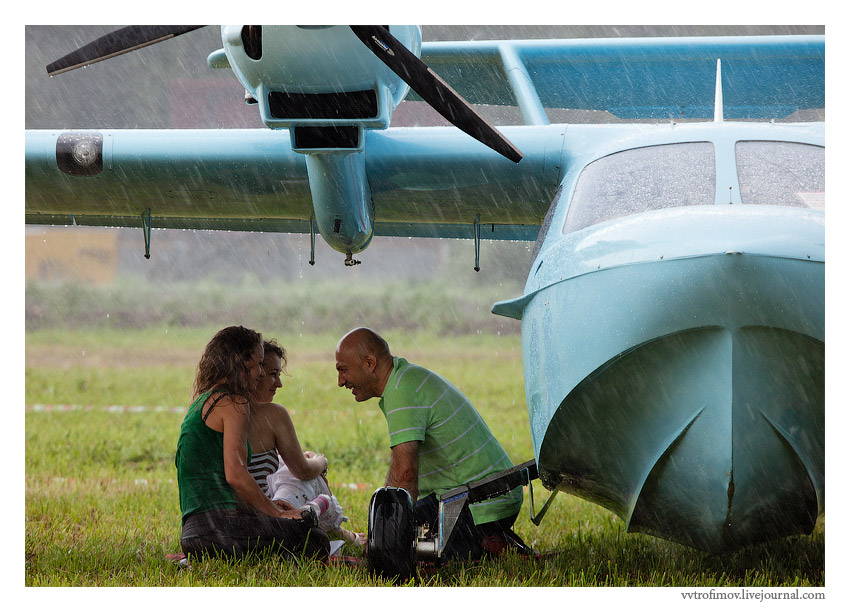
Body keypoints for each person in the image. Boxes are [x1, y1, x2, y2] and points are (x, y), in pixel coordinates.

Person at [334, 327, 527, 560]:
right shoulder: (403, 379)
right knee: (408, 531)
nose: (340, 381)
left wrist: (382, 539)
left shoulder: (401, 391)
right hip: (489, 494)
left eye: (343, 370)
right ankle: (488, 539)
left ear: (369, 362)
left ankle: (484, 546)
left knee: (411, 552)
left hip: (483, 500)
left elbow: (404, 474)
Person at [175, 326, 330, 561]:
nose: (260, 372)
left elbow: (220, 488)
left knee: (297, 526)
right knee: (314, 538)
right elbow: (235, 475)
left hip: (194, 534)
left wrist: (268, 509)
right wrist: (276, 513)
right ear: (241, 362)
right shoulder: (233, 403)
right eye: (258, 364)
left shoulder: (203, 401)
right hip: (219, 530)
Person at [247, 339, 365, 547]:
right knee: (308, 479)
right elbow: (302, 470)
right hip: (262, 516)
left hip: (237, 512)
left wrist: (302, 457)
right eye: (273, 374)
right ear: (254, 372)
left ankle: (331, 526)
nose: (279, 384)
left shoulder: (225, 409)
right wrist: (321, 462)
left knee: (284, 467)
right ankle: (333, 528)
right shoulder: (273, 414)